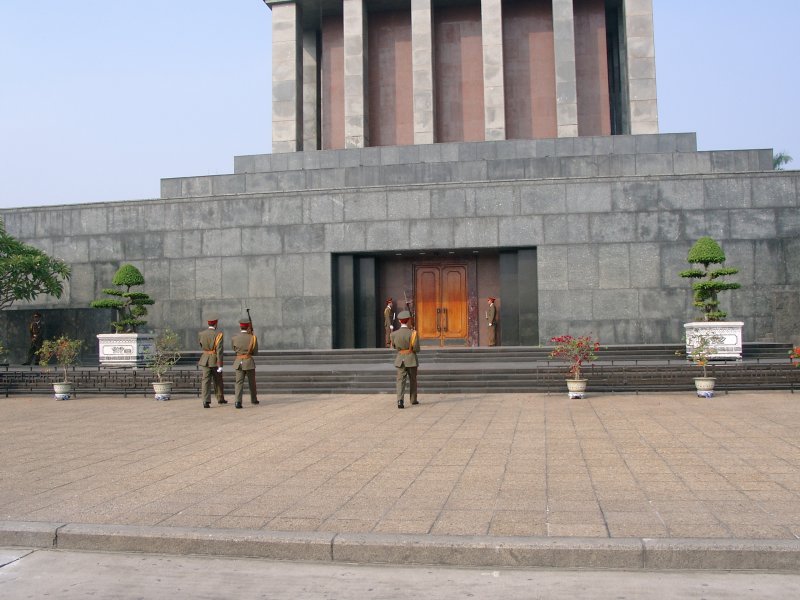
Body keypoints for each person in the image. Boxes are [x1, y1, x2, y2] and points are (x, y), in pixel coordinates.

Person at [390, 310, 419, 409]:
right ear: (409, 320)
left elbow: (394, 346)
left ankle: (400, 401)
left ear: (399, 321)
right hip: (411, 359)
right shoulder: (413, 333)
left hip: (400, 360)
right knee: (413, 380)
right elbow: (416, 348)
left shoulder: (394, 334)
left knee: (400, 381)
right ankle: (413, 400)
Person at [198, 315, 227, 408]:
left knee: (205, 381)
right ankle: (220, 398)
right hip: (214, 360)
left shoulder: (201, 334)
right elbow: (219, 350)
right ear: (216, 323)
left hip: (205, 359)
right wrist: (220, 364)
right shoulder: (218, 334)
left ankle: (205, 401)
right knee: (218, 380)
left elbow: (201, 345)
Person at [231, 317, 259, 409]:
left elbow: (234, 349)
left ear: (240, 327)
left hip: (238, 362)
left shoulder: (234, 338)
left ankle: (237, 402)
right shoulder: (252, 338)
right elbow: (255, 352)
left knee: (239, 382)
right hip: (249, 362)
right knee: (252, 382)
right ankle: (254, 399)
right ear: (248, 327)